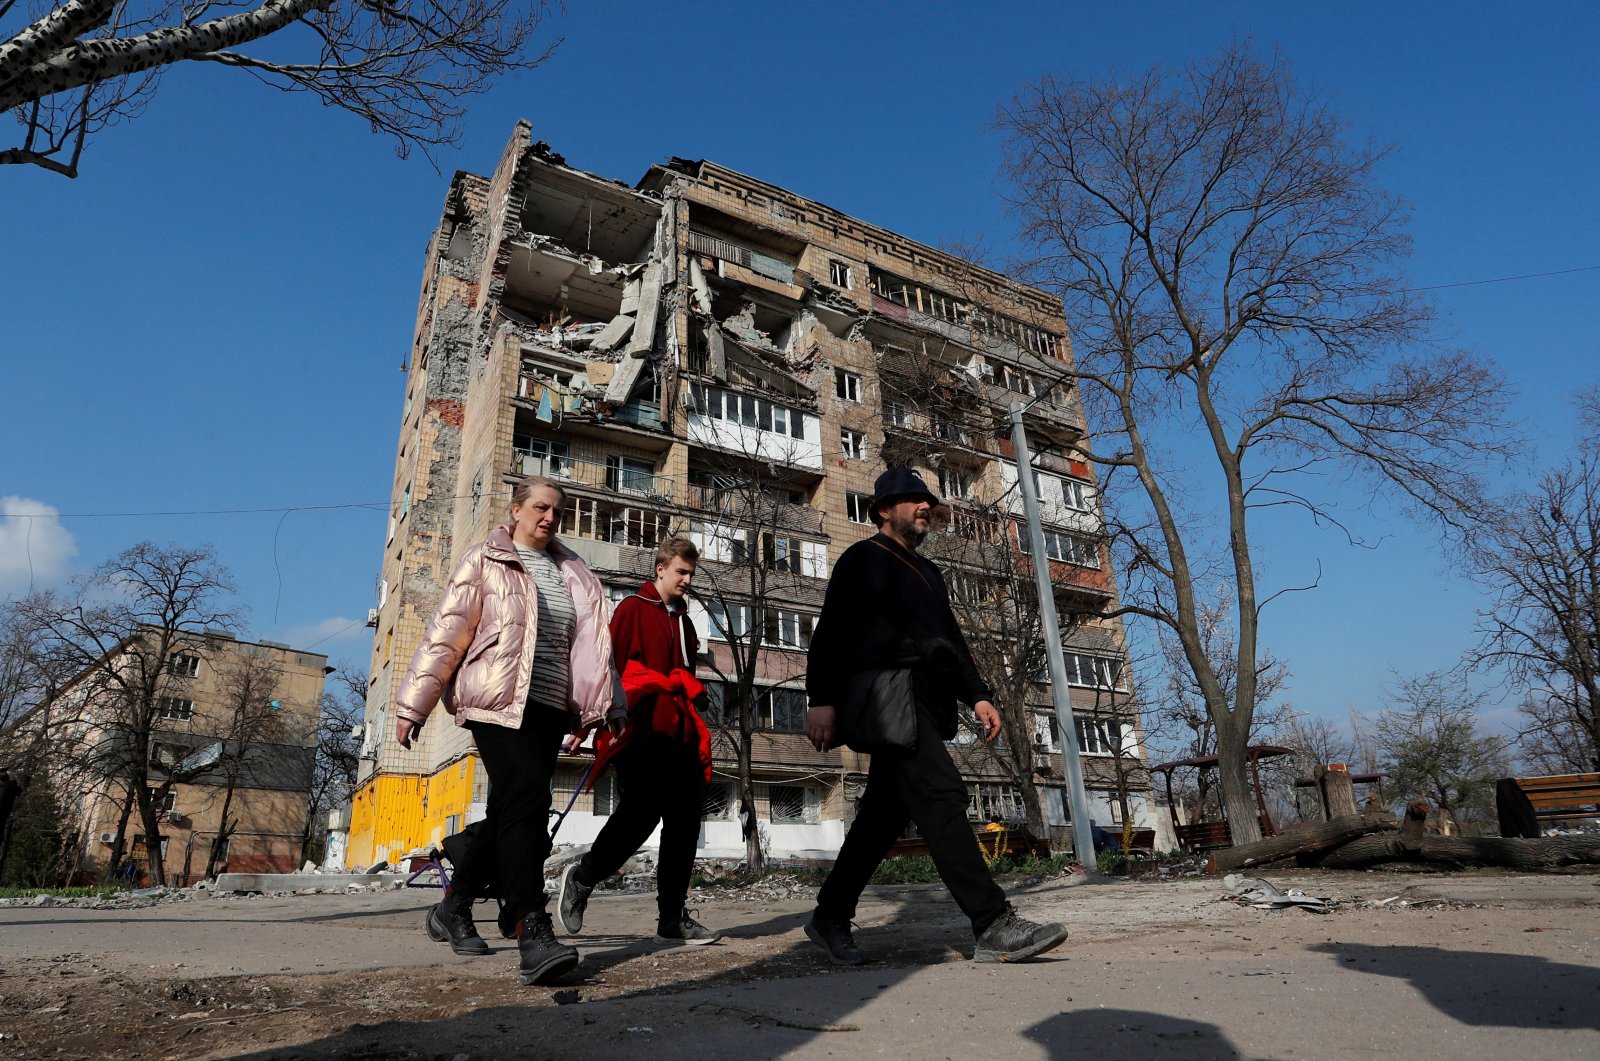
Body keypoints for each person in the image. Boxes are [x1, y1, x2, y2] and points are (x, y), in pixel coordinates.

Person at [803, 467, 1069, 965]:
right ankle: (991, 922)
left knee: (883, 817)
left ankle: (829, 915)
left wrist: (979, 696)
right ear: (884, 509)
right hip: (885, 697)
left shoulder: (932, 574)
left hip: (927, 698)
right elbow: (831, 632)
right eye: (911, 500)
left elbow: (953, 642)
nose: (924, 506)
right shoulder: (862, 559)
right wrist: (820, 698)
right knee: (942, 792)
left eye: (927, 500)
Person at [393, 475, 623, 986]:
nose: (549, 517)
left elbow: (594, 649)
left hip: (547, 707)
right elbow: (445, 633)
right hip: (494, 702)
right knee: (525, 803)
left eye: (557, 511)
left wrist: (611, 704)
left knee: (509, 813)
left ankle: (453, 907)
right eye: (540, 507)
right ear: (516, 510)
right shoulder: (486, 559)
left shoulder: (577, 573)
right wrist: (414, 705)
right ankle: (530, 925)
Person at [556, 538, 720, 946]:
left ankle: (671, 918)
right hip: (639, 727)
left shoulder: (683, 622)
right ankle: (582, 877)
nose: (687, 580)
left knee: (684, 821)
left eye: (691, 574)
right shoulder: (631, 609)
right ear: (660, 569)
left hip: (678, 731)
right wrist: (586, 721)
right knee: (639, 815)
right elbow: (605, 666)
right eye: (681, 572)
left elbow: (682, 673)